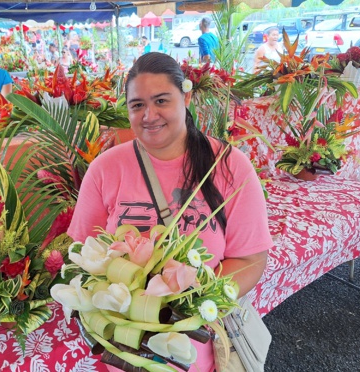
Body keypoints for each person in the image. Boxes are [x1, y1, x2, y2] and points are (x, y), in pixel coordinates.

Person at [67, 52, 272, 372]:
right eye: (137, 105)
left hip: (199, 355)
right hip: (125, 357)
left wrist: (191, 301)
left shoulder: (230, 166)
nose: (149, 115)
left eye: (161, 100)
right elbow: (83, 252)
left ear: (186, 97)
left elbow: (251, 259)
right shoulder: (106, 169)